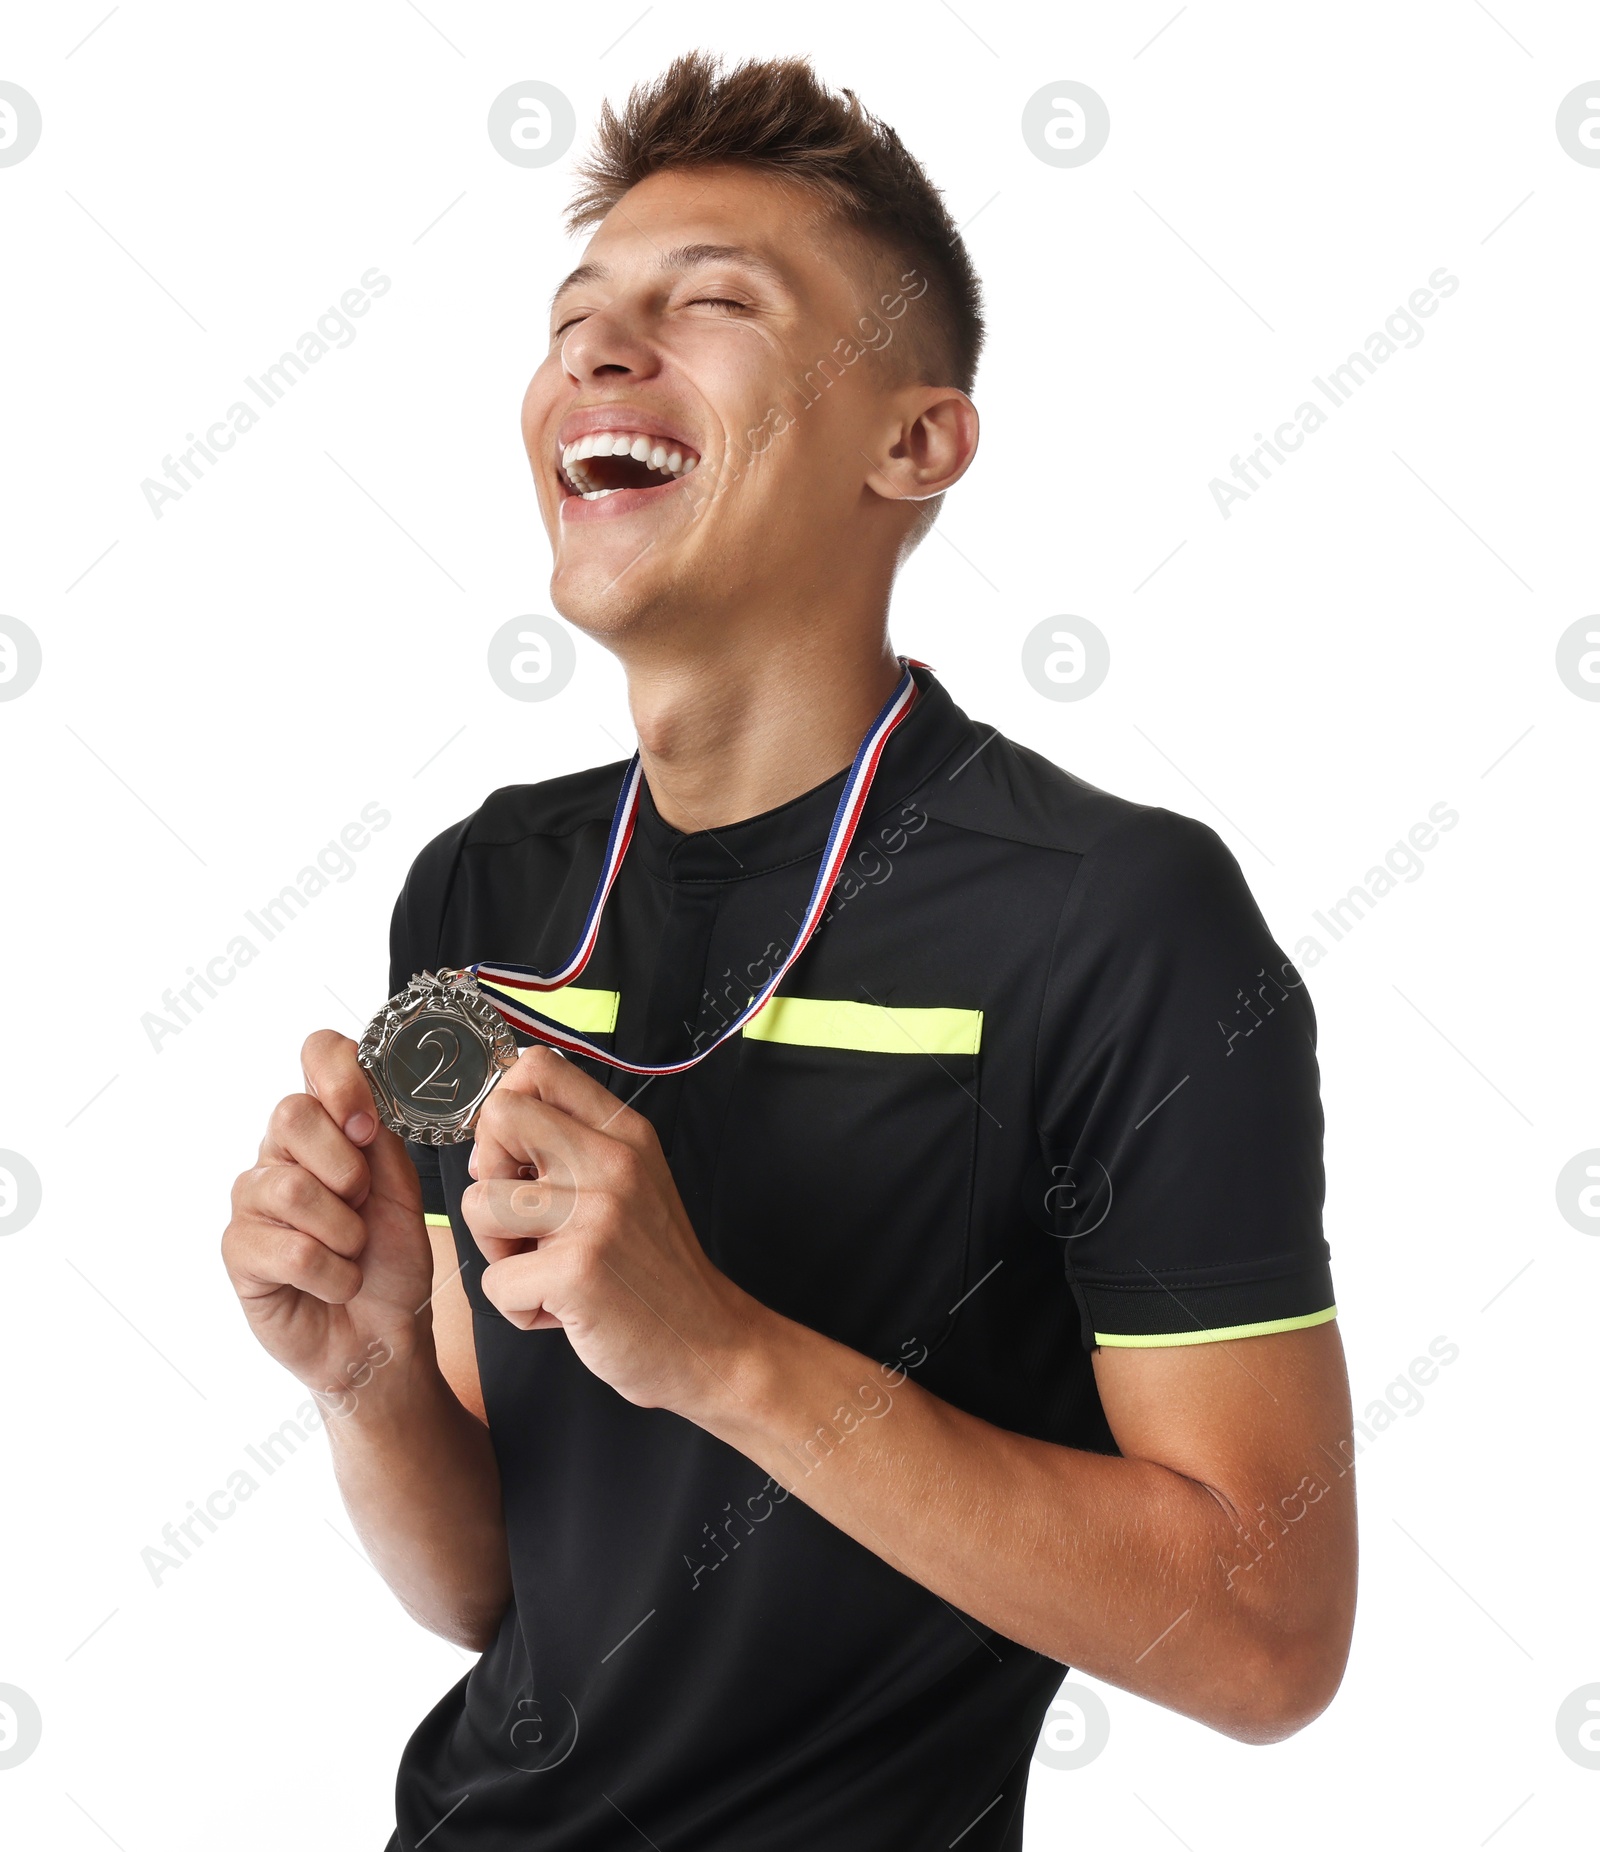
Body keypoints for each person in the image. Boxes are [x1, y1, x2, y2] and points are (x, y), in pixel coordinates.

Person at [221, 52, 1356, 1852]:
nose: (599, 352)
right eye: (578, 316)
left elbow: (1270, 1638)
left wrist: (728, 1353)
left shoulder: (1115, 918)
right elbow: (496, 1589)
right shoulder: (479, 897)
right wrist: (366, 1372)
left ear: (913, 441)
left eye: (715, 305)